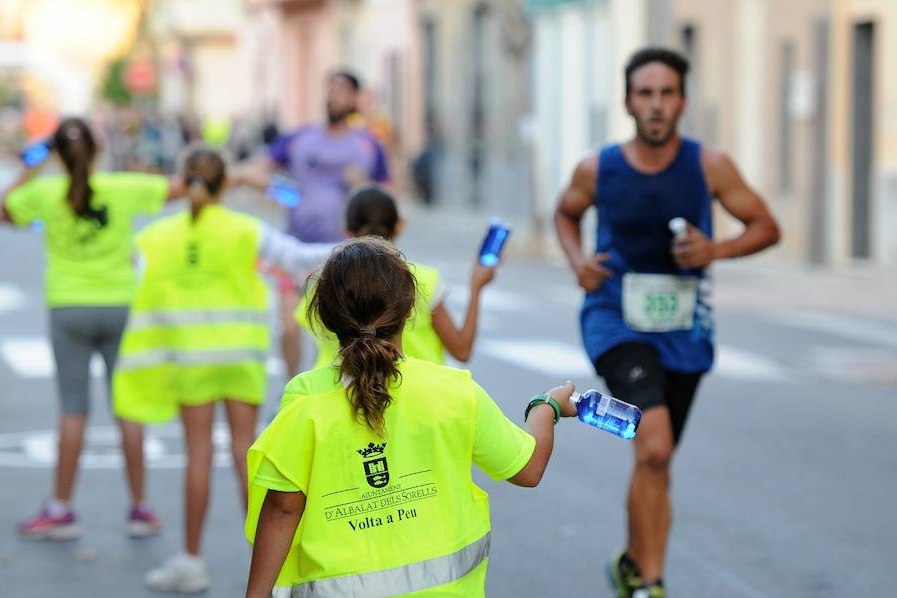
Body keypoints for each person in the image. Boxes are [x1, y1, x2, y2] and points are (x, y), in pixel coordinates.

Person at [553, 48, 781, 598]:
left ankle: (634, 563)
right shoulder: (597, 167)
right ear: (629, 102)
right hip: (615, 321)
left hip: (684, 332)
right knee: (651, 443)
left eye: (667, 93)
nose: (656, 105)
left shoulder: (709, 165)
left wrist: (715, 250)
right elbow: (565, 213)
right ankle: (651, 584)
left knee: (658, 457)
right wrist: (579, 262)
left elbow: (766, 226)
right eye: (645, 93)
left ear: (682, 100)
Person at [244, 237, 576, 597]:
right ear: (408, 311)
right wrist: (547, 408)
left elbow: (283, 508)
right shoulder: (453, 390)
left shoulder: (304, 399)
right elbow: (527, 469)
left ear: (324, 315)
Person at [111, 148, 334, 593]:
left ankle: (191, 562)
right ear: (223, 184)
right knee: (246, 454)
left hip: (189, 358)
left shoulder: (155, 238)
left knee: (198, 456)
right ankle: (279, 564)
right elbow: (299, 257)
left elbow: (137, 285)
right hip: (241, 357)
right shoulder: (246, 230)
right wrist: (365, 244)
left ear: (184, 180)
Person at [0, 117, 184, 540]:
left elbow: (4, 208)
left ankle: (61, 508)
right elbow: (178, 188)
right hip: (121, 304)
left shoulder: (44, 192)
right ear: (97, 150)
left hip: (68, 307)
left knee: (73, 409)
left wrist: (33, 162)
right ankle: (140, 508)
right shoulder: (122, 187)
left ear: (58, 154)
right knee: (129, 408)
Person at [234, 70, 389, 379]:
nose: (334, 96)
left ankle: (349, 391)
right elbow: (254, 170)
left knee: (345, 331)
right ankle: (292, 389)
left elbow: (392, 192)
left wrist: (366, 184)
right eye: (330, 89)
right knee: (289, 326)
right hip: (296, 250)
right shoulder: (300, 138)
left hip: (346, 251)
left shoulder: (367, 145)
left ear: (355, 98)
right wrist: (280, 191)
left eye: (342, 90)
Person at [296, 184, 497, 369]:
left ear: (348, 231)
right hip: (419, 394)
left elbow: (319, 349)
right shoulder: (423, 279)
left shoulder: (325, 280)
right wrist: (476, 288)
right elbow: (461, 350)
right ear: (400, 225)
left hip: (336, 391)